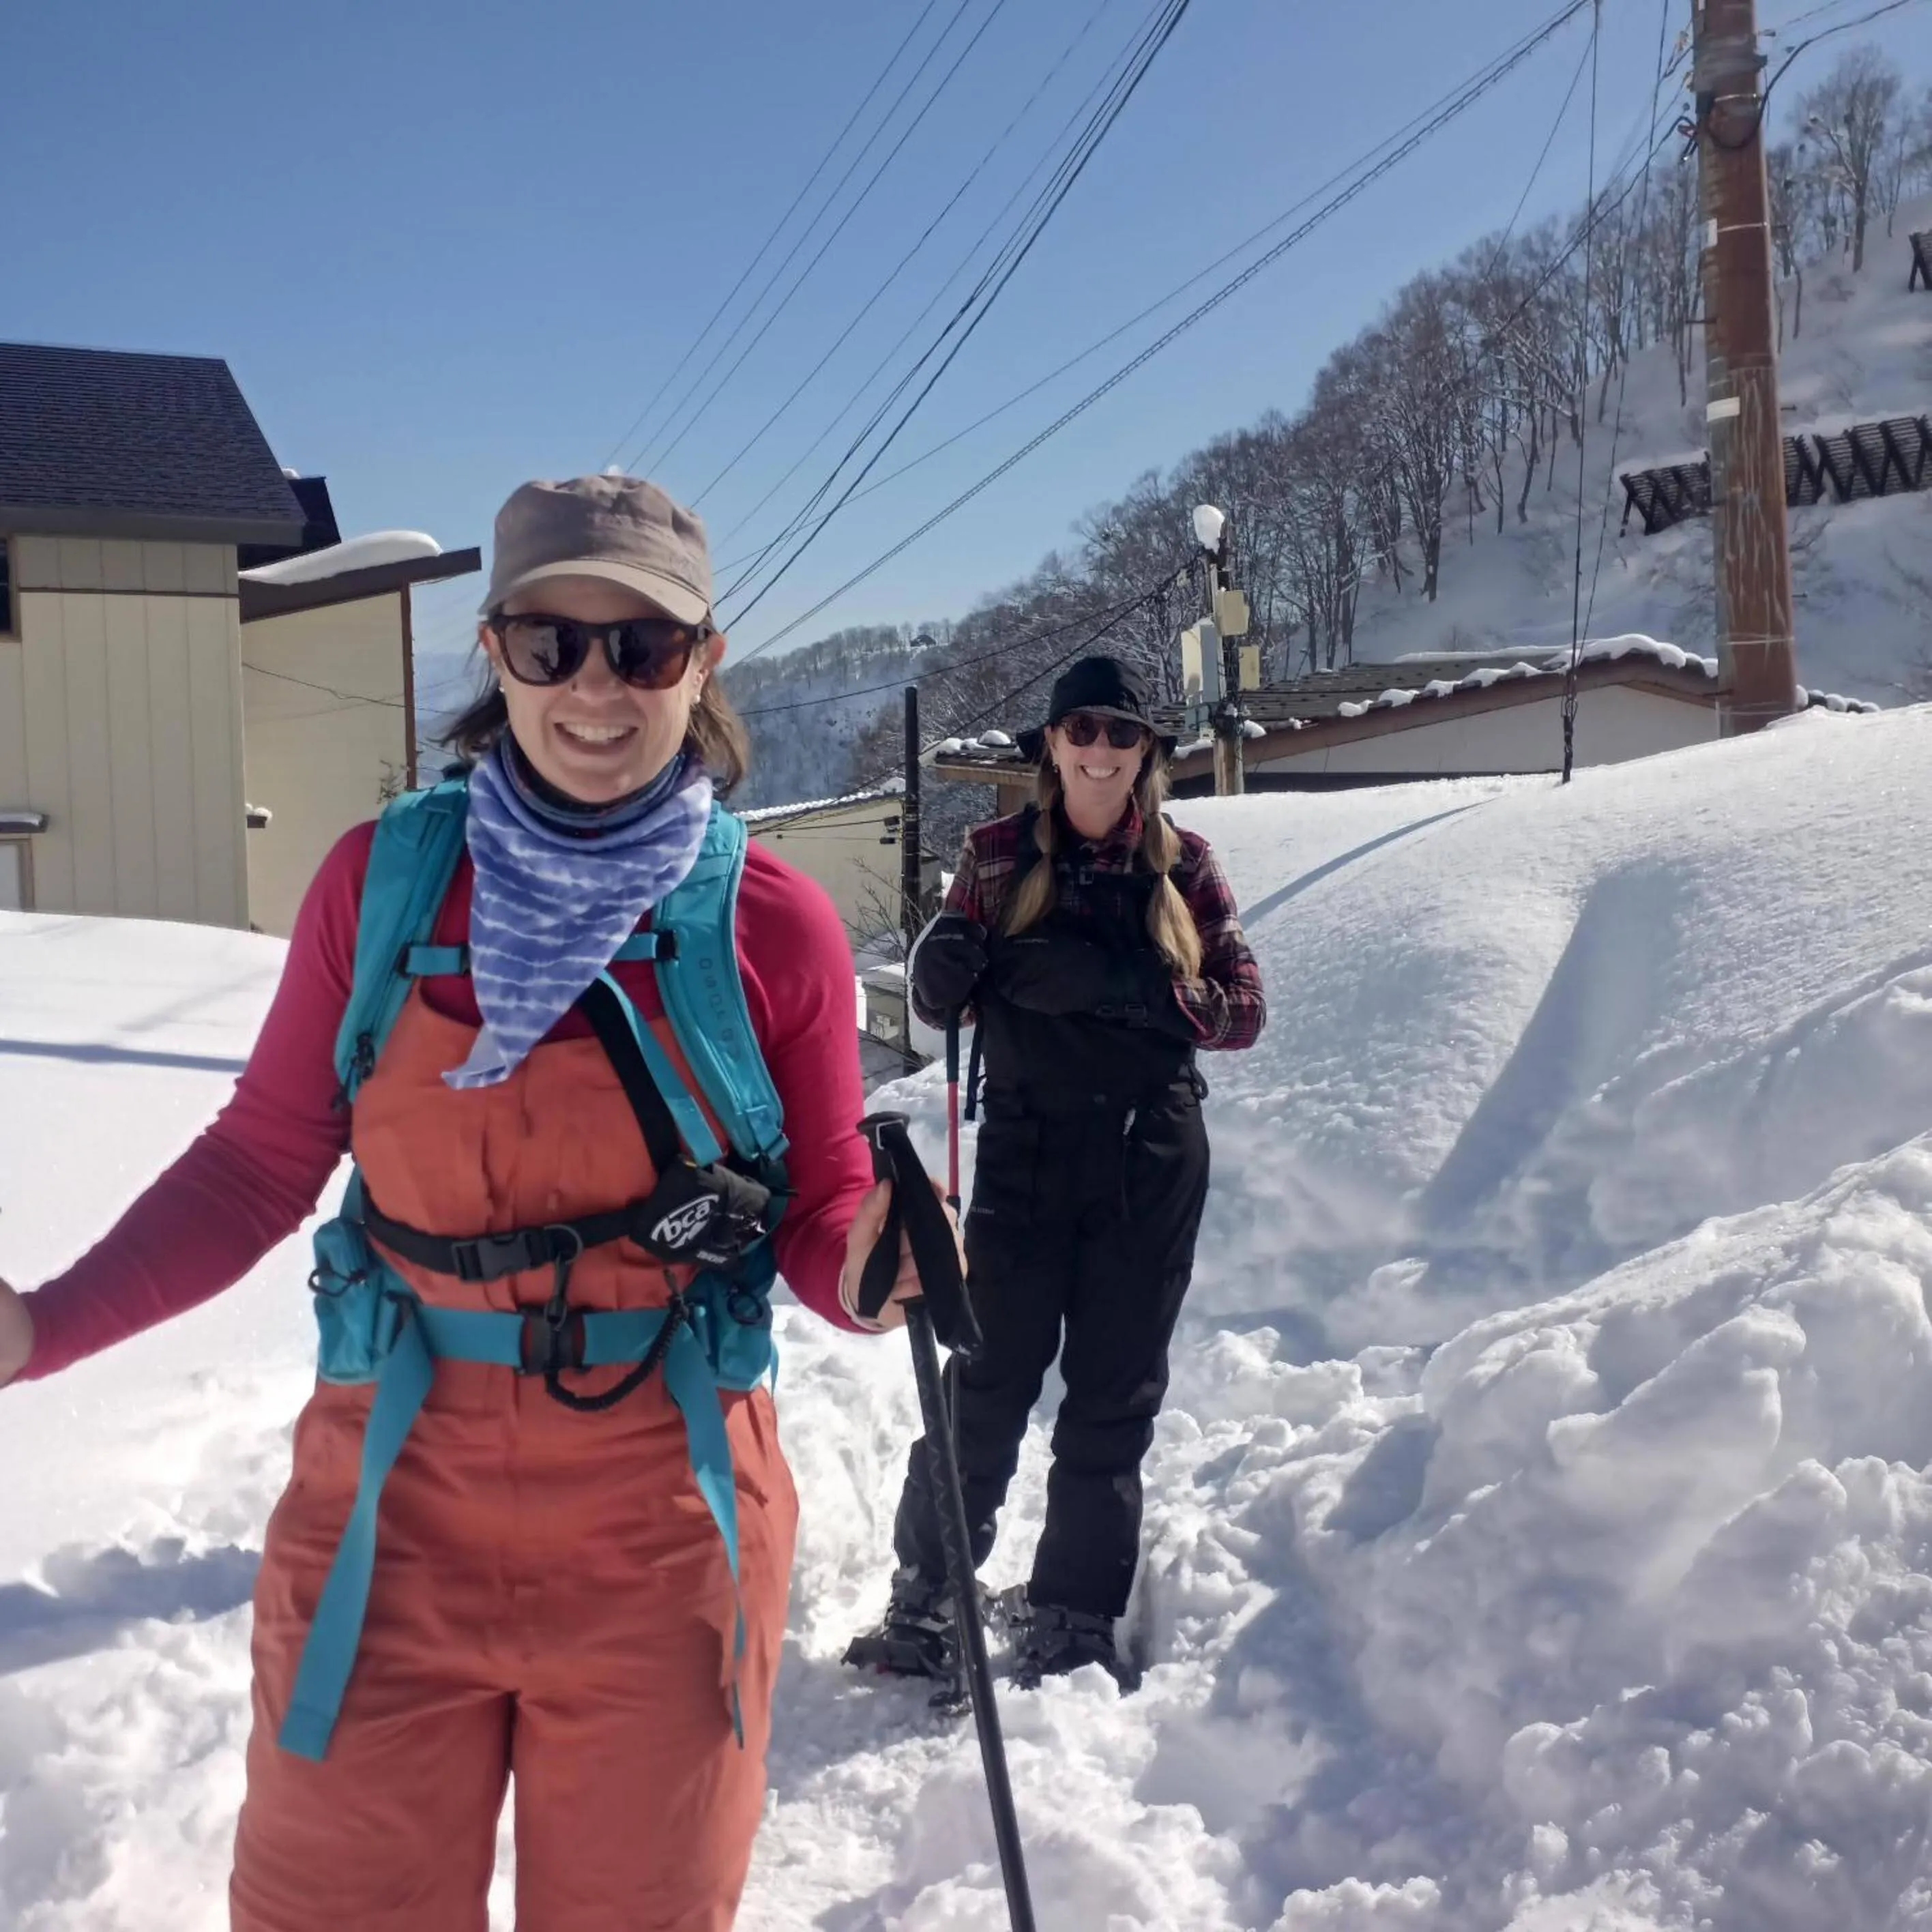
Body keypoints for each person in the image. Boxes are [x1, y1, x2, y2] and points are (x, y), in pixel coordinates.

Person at [0, 474, 931, 1932]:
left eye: (645, 648)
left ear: (708, 662)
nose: (598, 688)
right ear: (493, 654)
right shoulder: (384, 885)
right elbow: (259, 1162)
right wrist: (38, 1328)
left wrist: (872, 1269)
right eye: (552, 644)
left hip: (667, 1525)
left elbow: (817, 1213)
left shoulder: (772, 924)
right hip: (390, 1508)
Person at [847, 654, 1266, 1690]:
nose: (1100, 749)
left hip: (1147, 1153)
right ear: (1050, 744)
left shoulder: (1186, 864)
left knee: (1112, 1395)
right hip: (1027, 1152)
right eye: (1081, 729)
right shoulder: (991, 858)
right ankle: (927, 1600)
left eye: (1123, 733)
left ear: (1148, 751)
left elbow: (1245, 1009)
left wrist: (1134, 988)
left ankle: (1075, 1612)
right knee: (986, 1378)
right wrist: (940, 973)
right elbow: (944, 998)